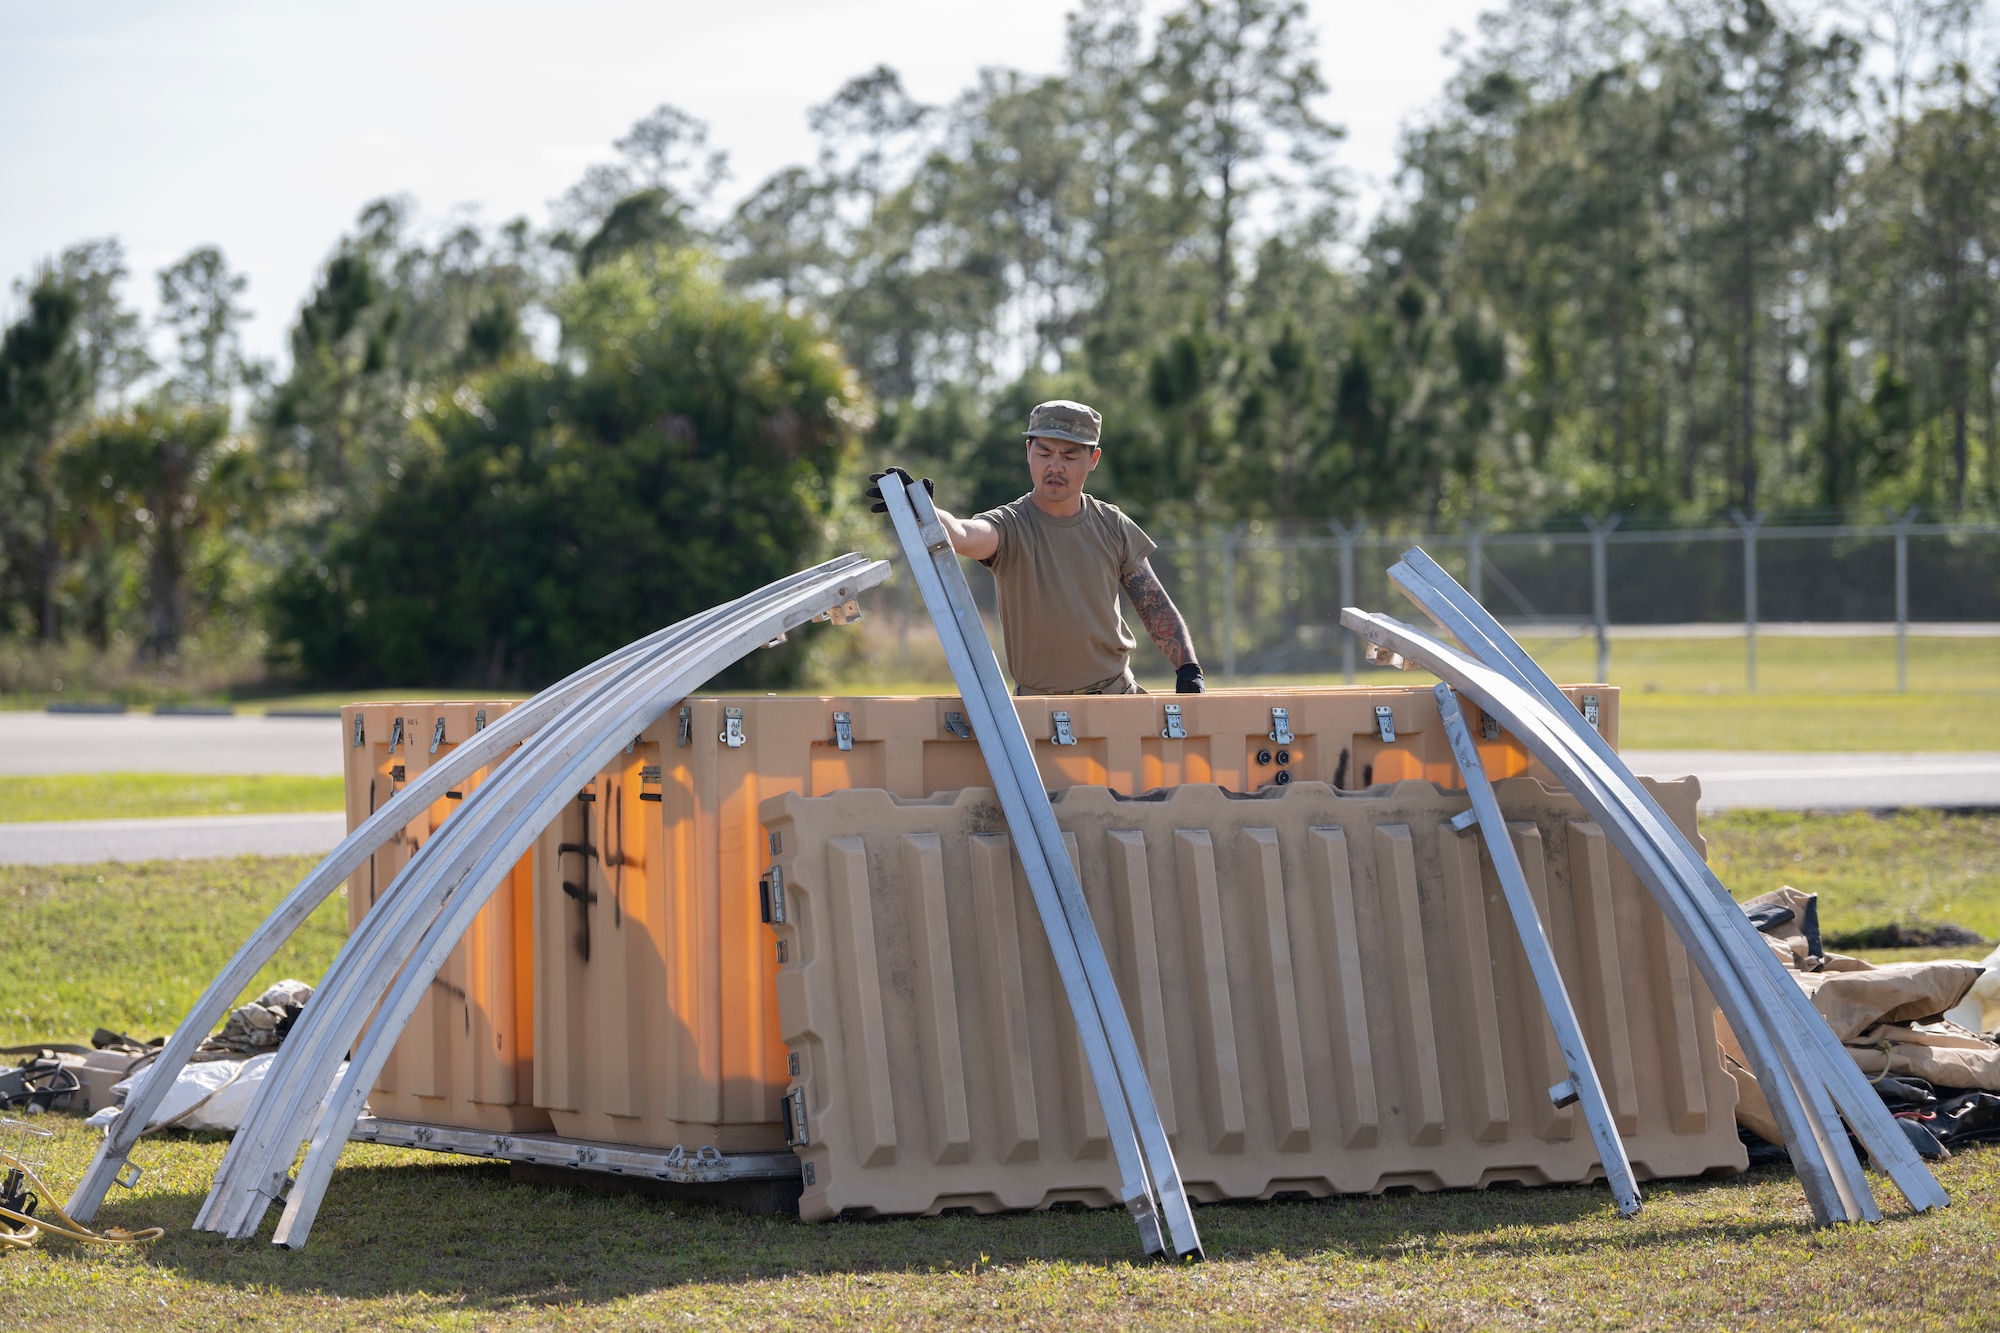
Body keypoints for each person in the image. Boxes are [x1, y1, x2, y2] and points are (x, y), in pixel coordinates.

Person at [876, 399, 1205, 696]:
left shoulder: (1113, 524)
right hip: (1038, 714)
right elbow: (962, 533)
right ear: (1028, 451)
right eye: (1045, 453)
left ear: (1093, 458)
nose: (1055, 467)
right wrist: (925, 511)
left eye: (1070, 455)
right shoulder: (1010, 524)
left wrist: (1189, 669)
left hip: (1117, 698)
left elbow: (1153, 605)